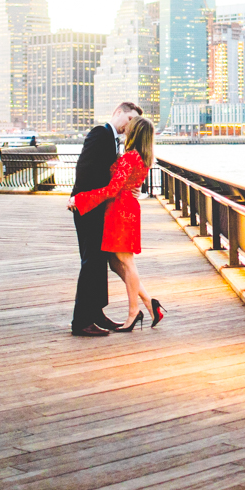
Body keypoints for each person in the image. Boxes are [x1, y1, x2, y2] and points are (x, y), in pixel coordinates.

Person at [72, 117, 163, 332]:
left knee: (125, 261)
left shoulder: (130, 158)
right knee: (114, 263)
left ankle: (133, 313)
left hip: (120, 212)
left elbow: (112, 190)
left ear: (135, 133)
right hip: (124, 209)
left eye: (129, 129)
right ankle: (150, 304)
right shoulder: (142, 157)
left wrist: (80, 199)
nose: (125, 131)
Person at [67, 101, 141, 337]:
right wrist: (78, 199)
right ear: (118, 112)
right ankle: (81, 321)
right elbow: (84, 170)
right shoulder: (100, 133)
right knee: (91, 263)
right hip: (89, 208)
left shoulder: (111, 138)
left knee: (99, 263)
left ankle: (96, 314)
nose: (129, 126)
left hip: (97, 208)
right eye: (129, 120)